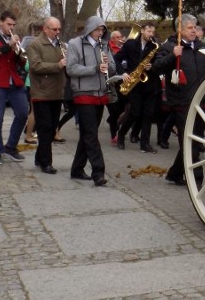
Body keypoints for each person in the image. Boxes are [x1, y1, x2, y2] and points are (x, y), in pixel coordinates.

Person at [153, 14, 205, 186]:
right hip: (182, 102)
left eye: (195, 27)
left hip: (202, 100)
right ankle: (196, 180)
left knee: (195, 139)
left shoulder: (203, 48)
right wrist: (173, 55)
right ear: (180, 29)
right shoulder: (169, 46)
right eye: (189, 28)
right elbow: (157, 68)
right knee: (191, 141)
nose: (194, 30)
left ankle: (174, 173)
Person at [66, 16, 115, 187]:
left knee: (87, 134)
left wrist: (108, 64)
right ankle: (98, 172)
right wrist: (94, 68)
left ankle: (77, 169)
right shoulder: (75, 44)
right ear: (89, 29)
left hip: (100, 93)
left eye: (102, 30)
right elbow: (71, 68)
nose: (100, 33)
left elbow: (113, 67)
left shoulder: (104, 45)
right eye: (97, 30)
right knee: (91, 135)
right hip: (83, 93)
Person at [0, 11, 29, 165]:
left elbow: (20, 62)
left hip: (13, 81)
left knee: (23, 113)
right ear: (0, 22)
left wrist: (19, 54)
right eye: (9, 24)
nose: (11, 27)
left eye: (14, 25)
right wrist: (8, 46)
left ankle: (10, 147)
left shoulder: (13, 39)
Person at [27, 17, 67, 174]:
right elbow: (36, 66)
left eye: (59, 29)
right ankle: (46, 163)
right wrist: (58, 65)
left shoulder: (61, 45)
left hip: (57, 92)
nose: (57, 32)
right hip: (41, 92)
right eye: (54, 29)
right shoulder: (35, 45)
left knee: (52, 128)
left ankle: (39, 156)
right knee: (45, 128)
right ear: (45, 29)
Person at [114, 22, 159, 153]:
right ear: (142, 31)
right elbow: (116, 59)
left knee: (148, 114)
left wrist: (152, 66)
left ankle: (145, 144)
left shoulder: (154, 46)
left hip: (149, 84)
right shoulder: (130, 44)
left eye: (152, 32)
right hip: (134, 83)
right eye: (149, 32)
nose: (151, 35)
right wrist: (123, 72)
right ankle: (121, 135)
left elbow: (158, 62)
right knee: (134, 113)